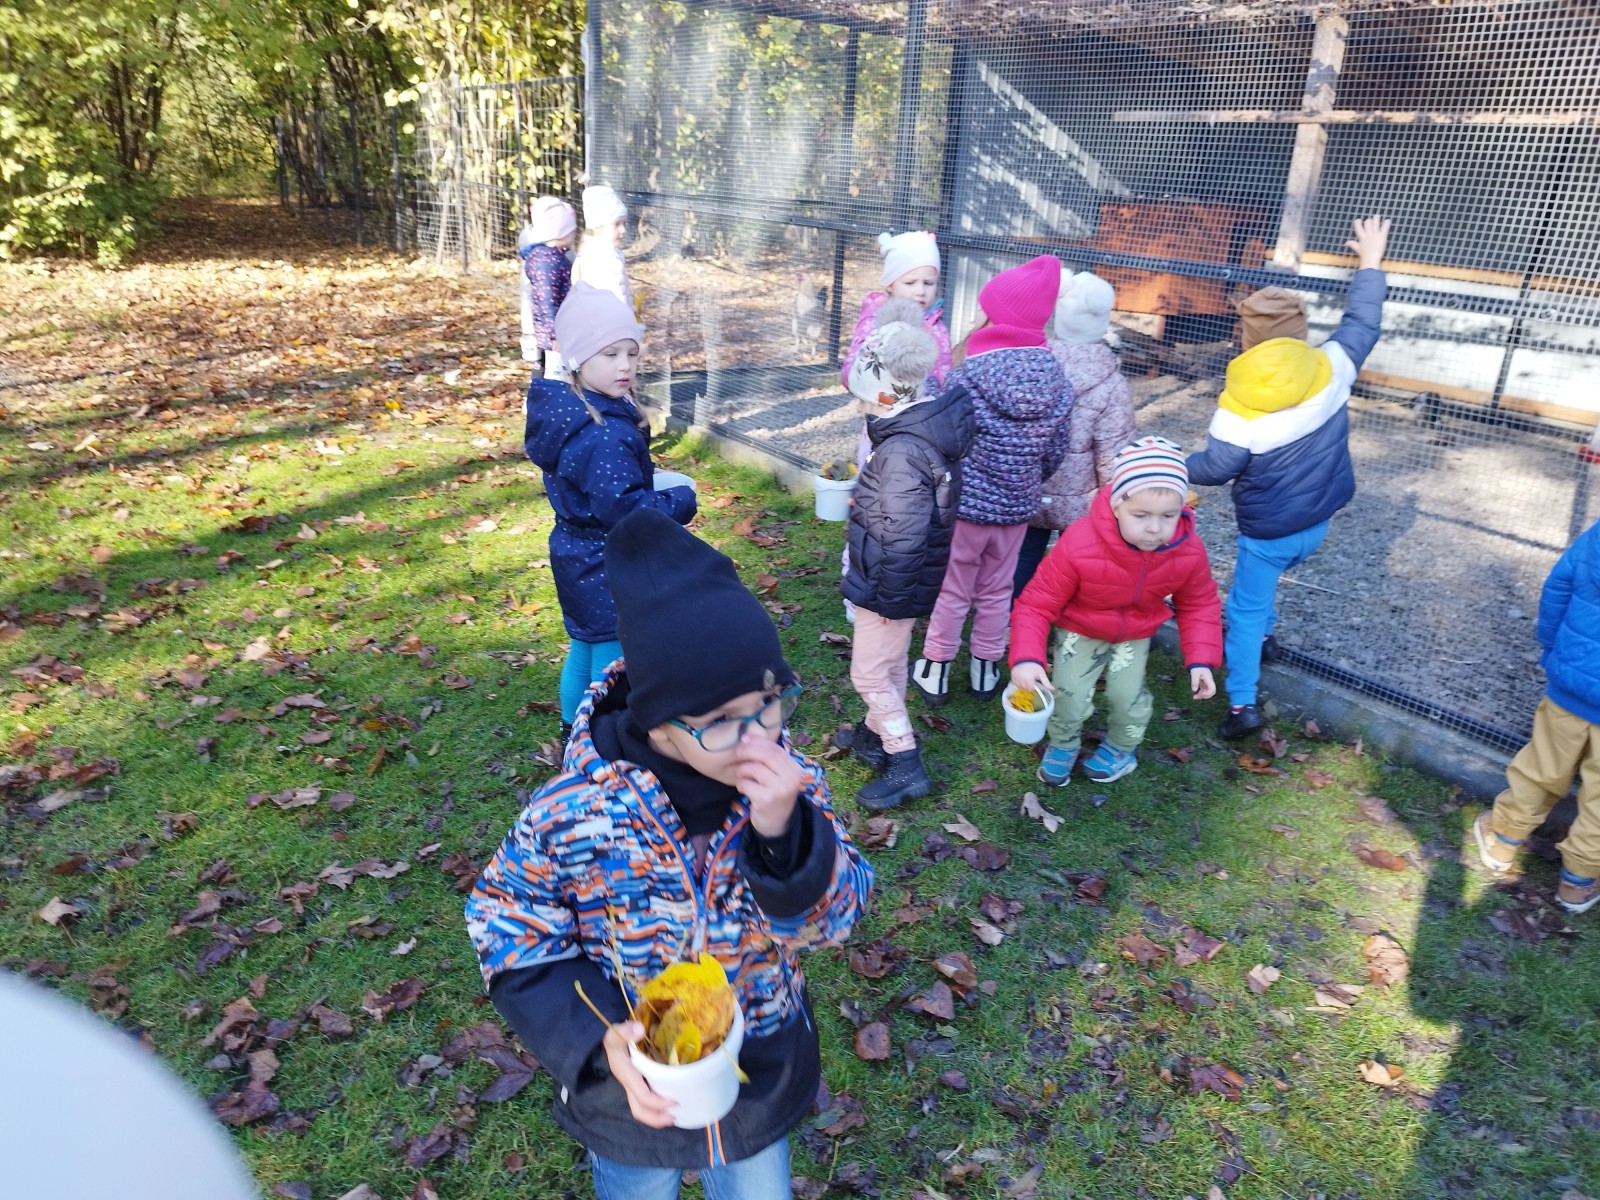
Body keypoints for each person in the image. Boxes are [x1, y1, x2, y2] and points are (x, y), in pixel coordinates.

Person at [465, 507, 873, 1199]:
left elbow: (835, 923)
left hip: (757, 1069)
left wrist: (787, 838)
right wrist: (595, 1043)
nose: (758, 738)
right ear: (658, 724)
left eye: (768, 701)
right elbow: (507, 925)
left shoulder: (791, 786)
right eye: (721, 721)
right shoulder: (572, 813)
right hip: (632, 1089)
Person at [1187, 214, 1392, 739]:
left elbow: (1217, 468)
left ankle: (1242, 705)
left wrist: (1175, 462)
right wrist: (1371, 262)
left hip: (1268, 534)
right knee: (1268, 589)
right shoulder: (1333, 366)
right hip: (1318, 522)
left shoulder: (1238, 407)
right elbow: (1363, 322)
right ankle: (1267, 641)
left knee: (1245, 608)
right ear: (1300, 332)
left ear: (1246, 339)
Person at [524, 282, 696, 740]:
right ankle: (602, 741)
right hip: (607, 559)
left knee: (584, 646)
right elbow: (625, 510)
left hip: (574, 551)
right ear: (578, 359)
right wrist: (680, 500)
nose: (624, 365)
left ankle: (572, 732)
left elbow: (602, 489)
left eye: (631, 353)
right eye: (609, 354)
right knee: (612, 658)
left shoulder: (570, 410)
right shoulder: (604, 433)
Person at [1010, 437, 1222, 786]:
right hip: (1081, 627)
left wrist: (1201, 659)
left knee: (1127, 697)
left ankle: (1122, 748)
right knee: (1069, 694)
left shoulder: (1187, 550)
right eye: (1141, 515)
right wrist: (1026, 657)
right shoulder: (1079, 543)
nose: (1154, 528)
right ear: (1117, 504)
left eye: (1168, 515)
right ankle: (1063, 744)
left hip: (1136, 631)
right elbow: (1036, 603)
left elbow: (1199, 603)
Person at [911, 253, 1072, 707]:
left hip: (966, 507)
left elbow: (941, 433)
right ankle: (986, 668)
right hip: (1017, 509)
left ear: (995, 316)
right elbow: (1056, 450)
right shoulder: (1058, 382)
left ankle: (935, 669)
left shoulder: (965, 376)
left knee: (954, 588)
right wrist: (1027, 477)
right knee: (998, 589)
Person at [841, 300, 974, 809]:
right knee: (891, 662)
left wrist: (884, 598)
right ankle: (874, 734)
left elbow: (903, 536)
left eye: (863, 400)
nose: (861, 409)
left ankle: (904, 762)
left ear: (882, 393)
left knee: (869, 673)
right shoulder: (916, 434)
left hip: (889, 586)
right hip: (902, 582)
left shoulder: (900, 452)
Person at [1472, 516, 1600, 914]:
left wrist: (1550, 645)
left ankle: (1502, 841)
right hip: (1571, 683)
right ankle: (1578, 882)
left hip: (1570, 685)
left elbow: (1558, 586)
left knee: (1541, 768)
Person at [1013, 268, 1135, 597]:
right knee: (1078, 559)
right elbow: (1113, 452)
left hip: (1029, 487)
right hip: (1082, 500)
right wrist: (1115, 500)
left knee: (1023, 555)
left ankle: (1007, 616)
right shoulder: (1113, 384)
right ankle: (1067, 612)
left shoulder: (1032, 366)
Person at [517, 195, 577, 374]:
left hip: (557, 329)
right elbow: (547, 302)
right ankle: (541, 390)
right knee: (553, 373)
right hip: (553, 335)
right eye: (571, 231)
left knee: (557, 369)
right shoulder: (547, 262)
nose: (575, 235)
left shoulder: (556, 257)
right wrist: (555, 335)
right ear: (560, 233)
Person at [572, 184, 634, 313]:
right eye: (617, 224)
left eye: (624, 223)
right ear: (598, 227)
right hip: (614, 321)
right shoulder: (608, 259)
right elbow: (619, 297)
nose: (623, 230)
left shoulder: (587, 251)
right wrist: (629, 319)